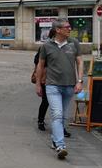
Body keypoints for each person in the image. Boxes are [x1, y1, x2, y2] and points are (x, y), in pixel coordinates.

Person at [35, 18, 83, 159]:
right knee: (57, 113)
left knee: (62, 116)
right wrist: (38, 84)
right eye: (67, 27)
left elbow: (80, 62)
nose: (70, 29)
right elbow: (40, 65)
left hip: (69, 86)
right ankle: (61, 146)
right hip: (52, 85)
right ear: (58, 30)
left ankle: (55, 140)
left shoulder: (74, 43)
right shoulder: (46, 46)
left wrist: (80, 81)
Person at [32, 28, 70, 136]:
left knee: (61, 103)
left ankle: (60, 127)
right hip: (47, 77)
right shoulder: (46, 46)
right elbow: (37, 61)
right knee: (46, 101)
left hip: (61, 77)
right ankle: (40, 121)